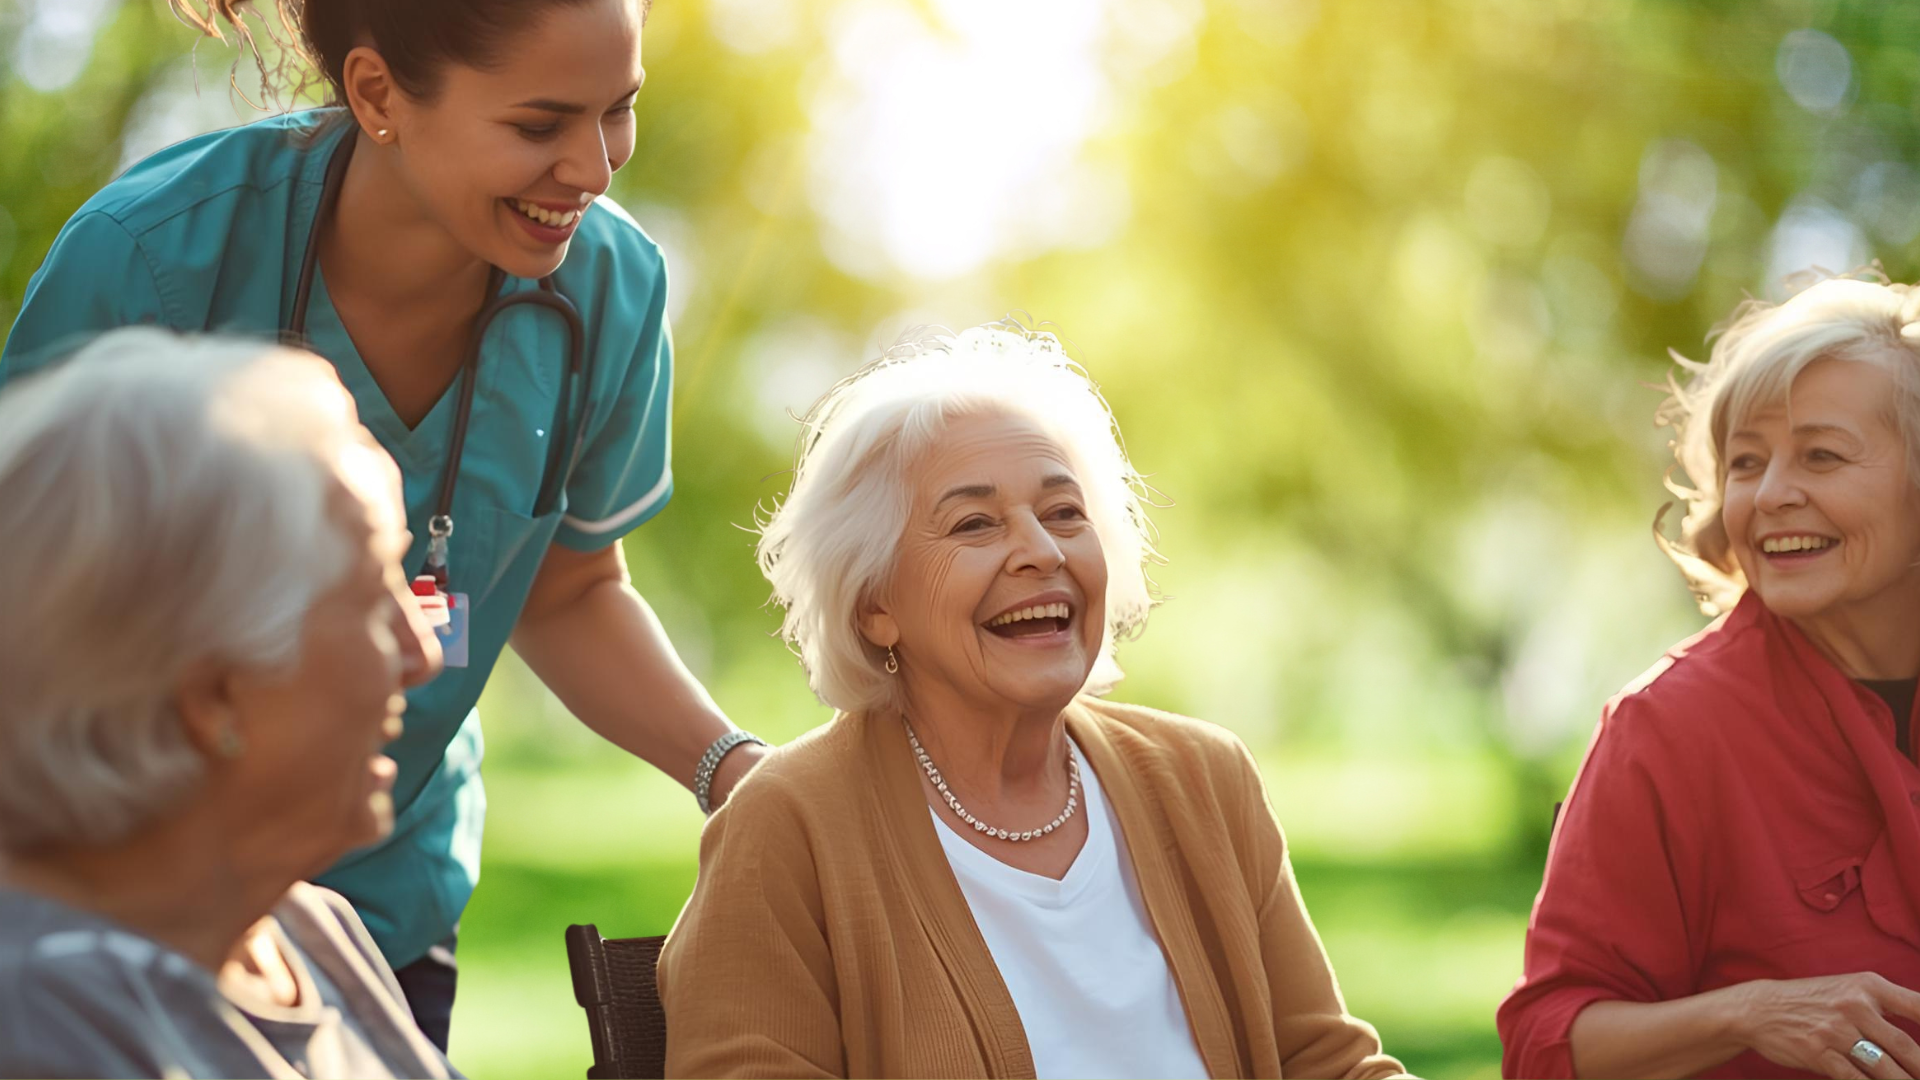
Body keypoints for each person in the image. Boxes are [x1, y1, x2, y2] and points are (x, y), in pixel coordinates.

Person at [0, 0, 765, 1048]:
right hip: (128, 894)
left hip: (382, 914)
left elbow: (572, 586)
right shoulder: (149, 261)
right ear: (376, 96)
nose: (594, 168)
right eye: (541, 125)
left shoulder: (609, 288)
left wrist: (733, 770)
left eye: (618, 110)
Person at [658, 323, 1406, 1080]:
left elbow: (1329, 1064)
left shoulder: (1205, 778)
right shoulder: (788, 824)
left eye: (1064, 514)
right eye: (974, 523)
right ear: (873, 601)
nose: (1043, 552)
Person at [0, 329, 455, 1078]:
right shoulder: (42, 1026)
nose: (424, 655)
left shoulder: (301, 927)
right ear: (214, 693)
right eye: (376, 600)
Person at [1498, 276, 1920, 1079]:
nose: (1769, 496)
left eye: (1821, 456)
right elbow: (1544, 1043)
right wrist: (1752, 1013)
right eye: (1746, 464)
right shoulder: (1664, 727)